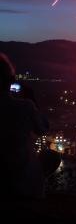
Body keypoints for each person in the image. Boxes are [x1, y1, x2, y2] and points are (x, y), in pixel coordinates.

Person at [0, 53, 49, 198]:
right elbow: (43, 128)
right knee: (50, 156)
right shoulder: (24, 106)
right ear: (10, 80)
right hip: (22, 184)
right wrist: (32, 100)